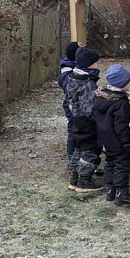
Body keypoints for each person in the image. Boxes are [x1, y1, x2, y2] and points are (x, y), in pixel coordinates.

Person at [94, 64, 130, 205]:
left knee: (110, 163)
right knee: (122, 165)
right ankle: (121, 192)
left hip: (105, 139)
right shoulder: (121, 104)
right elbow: (121, 127)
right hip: (118, 141)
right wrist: (127, 144)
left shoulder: (100, 98)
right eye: (128, 81)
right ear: (122, 83)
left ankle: (110, 190)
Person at [66, 46, 103, 192]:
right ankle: (84, 181)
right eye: (96, 63)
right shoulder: (88, 83)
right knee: (89, 151)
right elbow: (89, 108)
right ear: (89, 64)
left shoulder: (74, 78)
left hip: (76, 120)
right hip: (87, 123)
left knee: (78, 149)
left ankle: (74, 178)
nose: (98, 65)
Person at [58, 41, 78, 189]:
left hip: (75, 107)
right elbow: (72, 94)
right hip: (73, 109)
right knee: (73, 134)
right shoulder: (68, 75)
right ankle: (72, 165)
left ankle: (79, 164)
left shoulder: (72, 70)